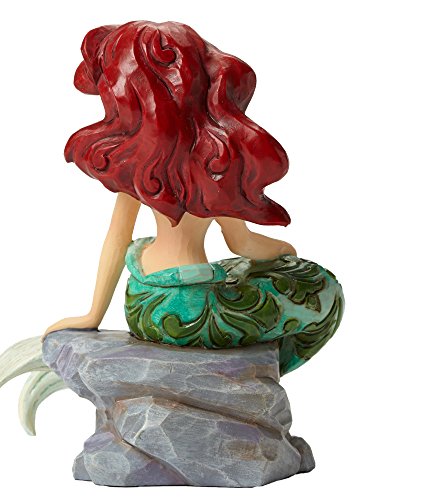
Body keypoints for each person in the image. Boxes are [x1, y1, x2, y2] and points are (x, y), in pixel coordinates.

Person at [42, 21, 343, 375]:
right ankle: (253, 375)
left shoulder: (134, 164)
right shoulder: (214, 165)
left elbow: (117, 239)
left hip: (142, 302)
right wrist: (286, 252)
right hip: (190, 315)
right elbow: (242, 244)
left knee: (237, 274)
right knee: (321, 289)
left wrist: (92, 315)